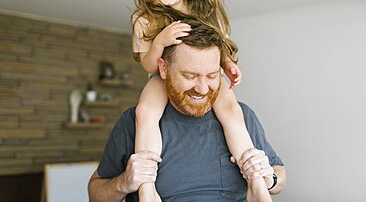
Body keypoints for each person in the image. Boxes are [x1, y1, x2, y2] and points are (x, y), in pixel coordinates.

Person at [88, 18, 287, 202]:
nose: (202, 89)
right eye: (190, 76)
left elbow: (280, 173)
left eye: (211, 76)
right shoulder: (133, 122)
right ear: (164, 69)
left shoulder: (241, 116)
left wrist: (269, 179)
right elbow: (95, 193)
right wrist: (125, 182)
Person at [131, 0, 269, 200]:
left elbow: (217, 47)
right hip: (160, 77)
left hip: (202, 73)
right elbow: (148, 64)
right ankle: (146, 187)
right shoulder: (144, 18)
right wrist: (160, 41)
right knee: (144, 113)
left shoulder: (203, 10)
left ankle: (255, 179)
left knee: (232, 111)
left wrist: (227, 64)